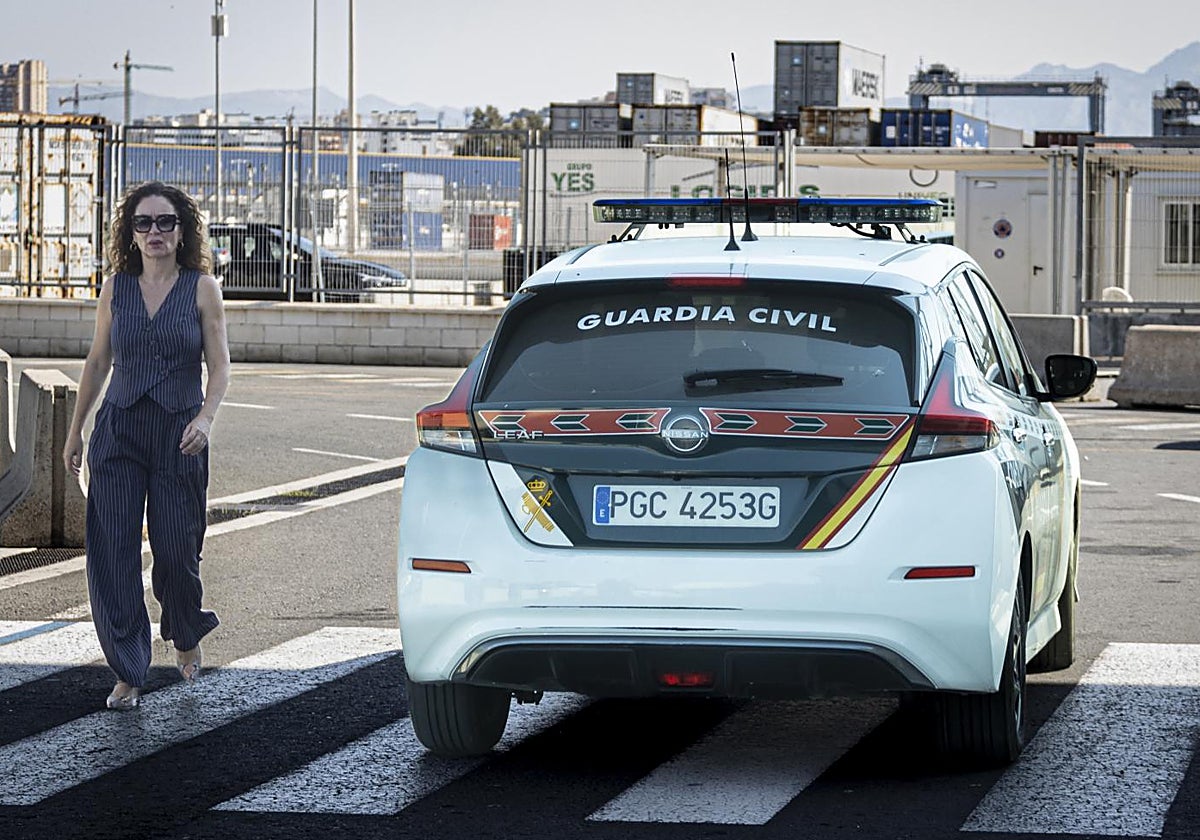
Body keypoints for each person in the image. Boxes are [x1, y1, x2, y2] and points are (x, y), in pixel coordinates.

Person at [62, 181, 230, 710]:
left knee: (178, 550)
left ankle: (184, 629)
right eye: (143, 222)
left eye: (164, 222)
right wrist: (76, 431)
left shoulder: (202, 288)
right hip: (120, 431)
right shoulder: (116, 288)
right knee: (112, 551)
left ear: (182, 231)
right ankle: (128, 669)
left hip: (180, 435)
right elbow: (97, 362)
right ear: (130, 233)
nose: (154, 232)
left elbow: (220, 366)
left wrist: (205, 418)